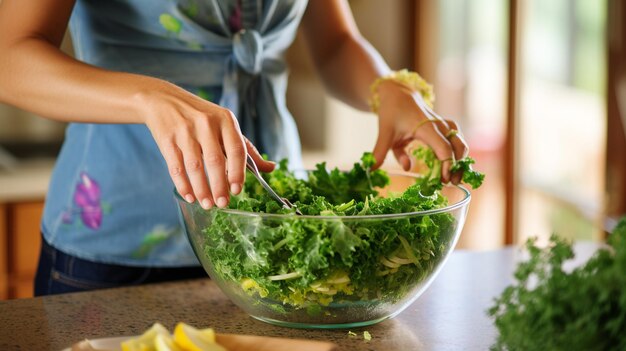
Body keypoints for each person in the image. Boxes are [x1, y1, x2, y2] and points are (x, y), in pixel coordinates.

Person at [0, 0, 469, 296]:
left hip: (271, 235)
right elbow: (10, 56)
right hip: (116, 244)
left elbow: (334, 42)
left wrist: (388, 89)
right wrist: (150, 97)